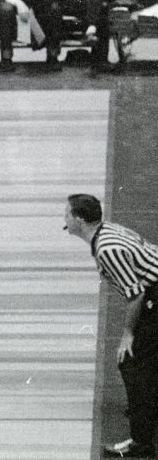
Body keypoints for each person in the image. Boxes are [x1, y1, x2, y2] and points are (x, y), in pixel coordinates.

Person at [64, 194, 158, 459]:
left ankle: (141, 442)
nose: (65, 219)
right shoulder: (106, 231)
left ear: (80, 220)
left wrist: (127, 335)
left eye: (68, 214)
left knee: (132, 362)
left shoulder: (107, 250)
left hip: (153, 293)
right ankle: (147, 406)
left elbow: (136, 293)